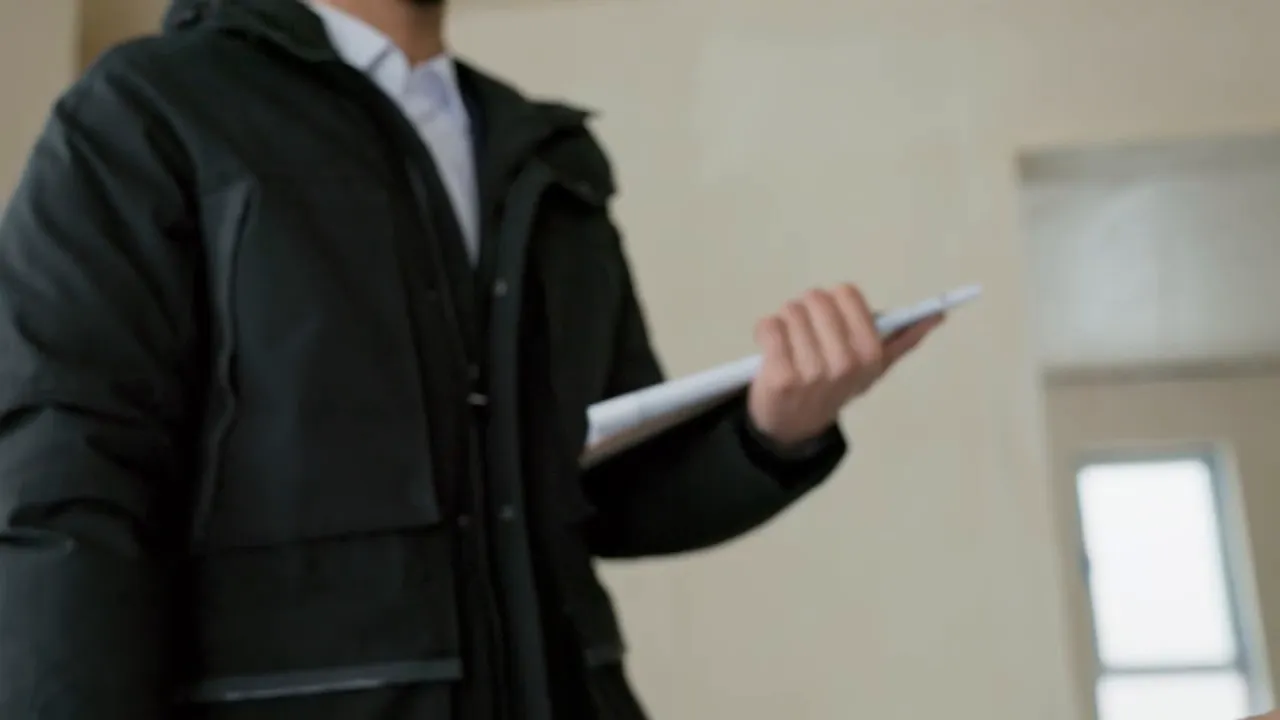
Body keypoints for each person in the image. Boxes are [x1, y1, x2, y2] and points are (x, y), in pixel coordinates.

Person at [0, 0, 943, 718]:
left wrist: (776, 427)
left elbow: (604, 490)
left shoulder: (546, 153)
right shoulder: (151, 111)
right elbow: (64, 486)